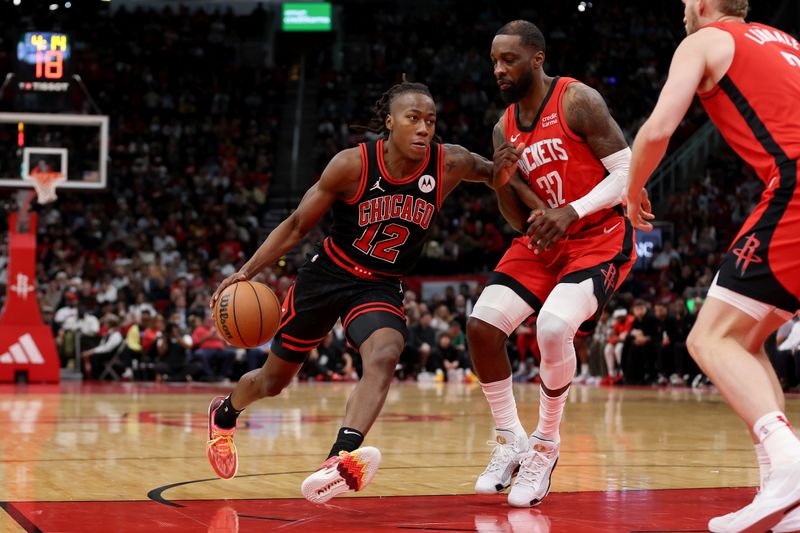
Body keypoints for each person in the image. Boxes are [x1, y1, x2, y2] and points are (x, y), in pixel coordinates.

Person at [205, 81, 502, 504]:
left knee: (385, 353)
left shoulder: (448, 162)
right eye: (412, 119)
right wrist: (244, 272)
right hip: (328, 276)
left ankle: (339, 459)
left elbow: (495, 174)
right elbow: (294, 226)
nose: (423, 129)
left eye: (430, 121)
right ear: (389, 122)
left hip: (380, 285)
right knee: (272, 382)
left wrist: (520, 178)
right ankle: (225, 412)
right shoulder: (351, 165)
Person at [625, 1, 800, 531]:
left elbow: (657, 130)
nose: (680, 9)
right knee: (745, 340)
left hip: (794, 186)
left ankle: (791, 466)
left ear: (703, 4)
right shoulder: (788, 41)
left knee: (707, 340)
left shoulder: (703, 41)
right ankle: (780, 485)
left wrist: (633, 195)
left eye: (684, 1)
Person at [469, 19, 638, 508]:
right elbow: (515, 216)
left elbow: (626, 174)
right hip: (544, 240)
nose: (499, 69)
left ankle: (545, 446)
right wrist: (502, 181)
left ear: (536, 59)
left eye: (510, 60)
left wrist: (572, 211)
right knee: (481, 327)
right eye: (495, 61)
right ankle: (511, 441)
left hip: (598, 234)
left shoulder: (576, 100)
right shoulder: (503, 125)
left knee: (553, 325)